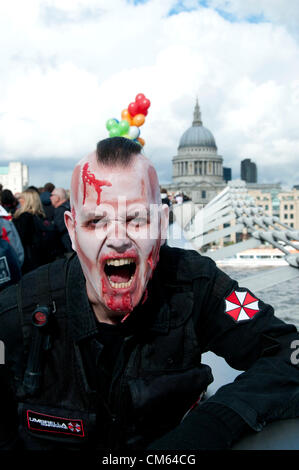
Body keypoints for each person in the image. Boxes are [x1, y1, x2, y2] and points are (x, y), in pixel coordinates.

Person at [0, 137, 299, 453]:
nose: (117, 239)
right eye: (96, 221)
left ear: (161, 224)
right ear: (73, 232)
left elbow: (290, 351)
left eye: (136, 218)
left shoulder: (199, 286)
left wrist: (211, 426)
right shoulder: (18, 313)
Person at [12, 188, 55, 274]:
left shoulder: (24, 217)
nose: (19, 200)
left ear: (27, 200)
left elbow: (19, 239)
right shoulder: (41, 216)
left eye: (21, 198)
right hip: (43, 259)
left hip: (28, 260)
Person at [50, 187, 73, 255]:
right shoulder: (69, 206)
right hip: (71, 245)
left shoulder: (60, 210)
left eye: (52, 195)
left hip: (66, 247)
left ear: (58, 198)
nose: (50, 198)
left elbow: (58, 229)